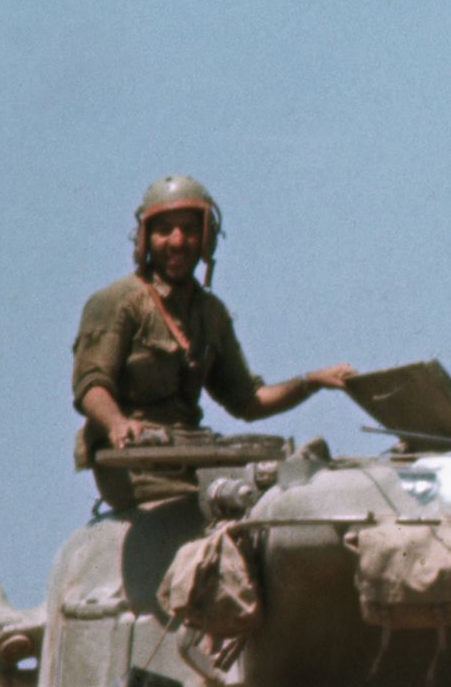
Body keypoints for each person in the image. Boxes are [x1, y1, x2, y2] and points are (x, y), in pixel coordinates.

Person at [71, 176, 354, 500]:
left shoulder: (210, 313)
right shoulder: (118, 302)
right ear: (146, 238)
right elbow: (91, 385)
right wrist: (117, 424)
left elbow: (248, 400)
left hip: (191, 453)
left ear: (206, 238)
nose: (178, 241)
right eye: (165, 230)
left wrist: (311, 382)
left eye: (190, 230)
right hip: (133, 461)